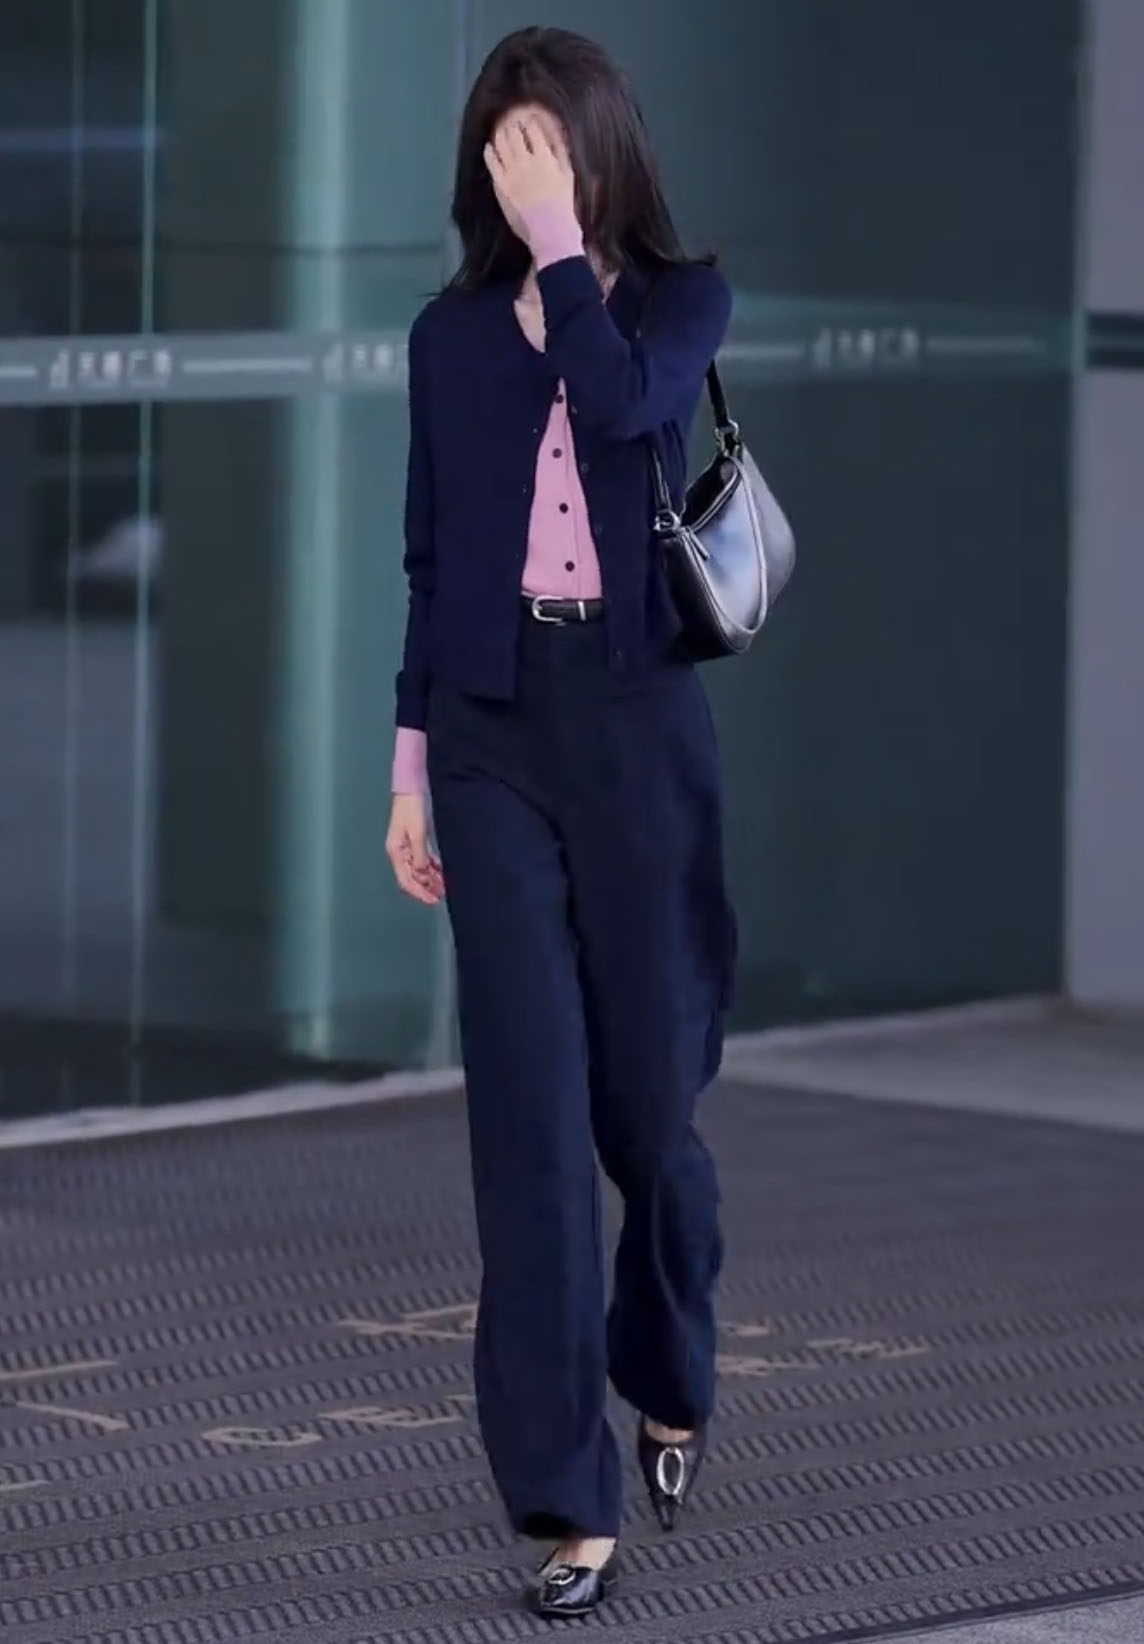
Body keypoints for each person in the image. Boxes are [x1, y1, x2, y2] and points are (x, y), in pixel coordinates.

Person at [385, 25, 736, 1620]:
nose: (527, 169)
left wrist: (558, 255)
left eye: (551, 146)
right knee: (527, 1121)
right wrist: (406, 773)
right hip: (489, 735)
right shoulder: (447, 338)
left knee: (649, 1118)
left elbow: (617, 408)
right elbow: (428, 560)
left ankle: (670, 1370)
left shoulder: (676, 303)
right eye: (505, 149)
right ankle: (565, 1498)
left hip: (637, 728)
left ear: (599, 153)